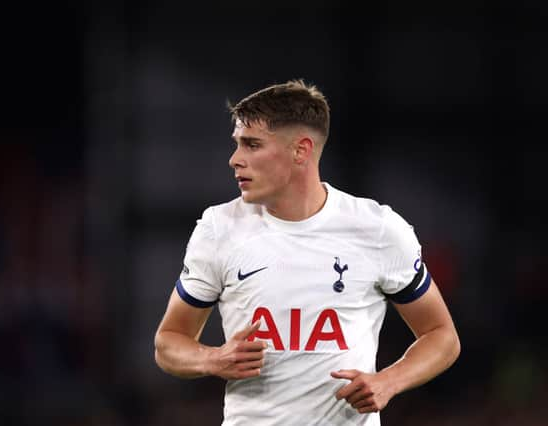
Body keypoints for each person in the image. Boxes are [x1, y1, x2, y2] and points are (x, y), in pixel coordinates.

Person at [154, 79, 460, 425]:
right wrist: (211, 359)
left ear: (300, 150)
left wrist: (389, 381)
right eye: (237, 145)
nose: (234, 159)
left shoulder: (377, 229)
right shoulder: (219, 229)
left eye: (251, 145)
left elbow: (442, 336)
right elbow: (169, 342)